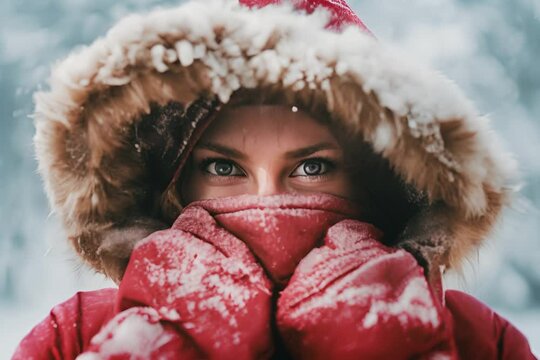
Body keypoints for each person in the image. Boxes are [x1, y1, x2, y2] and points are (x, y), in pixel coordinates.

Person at [14, 0, 536, 358]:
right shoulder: (75, 336)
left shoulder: (477, 342)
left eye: (312, 167)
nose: (268, 201)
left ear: (378, 186)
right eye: (223, 168)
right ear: (175, 186)